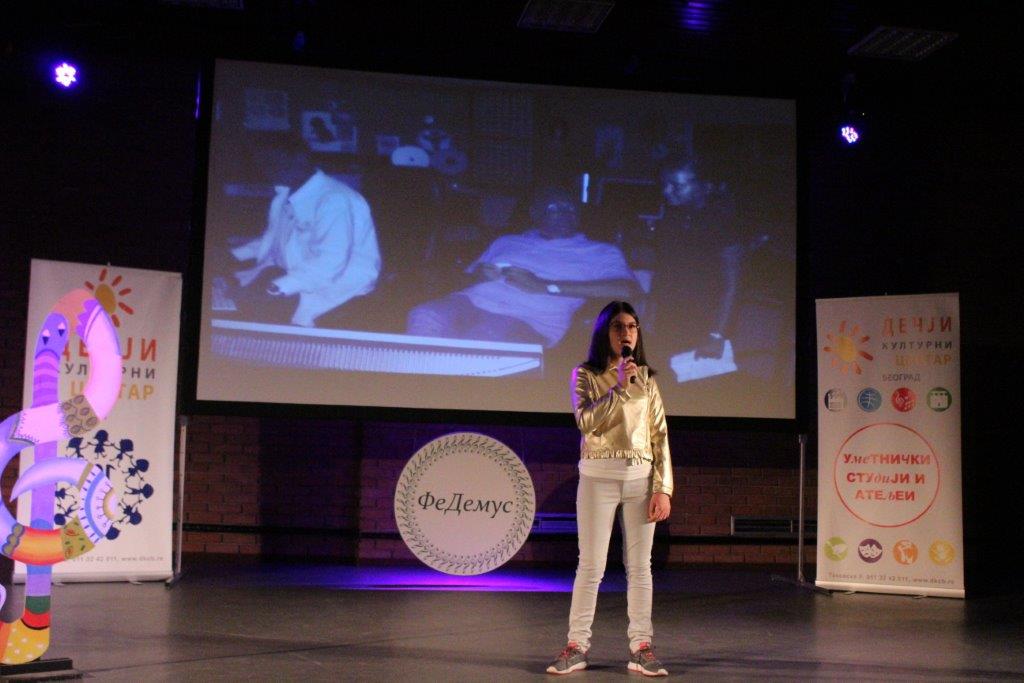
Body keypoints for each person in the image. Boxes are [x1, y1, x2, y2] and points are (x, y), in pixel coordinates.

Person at [546, 300, 673, 677]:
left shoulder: (646, 378)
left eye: (632, 326)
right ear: (605, 331)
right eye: (619, 326)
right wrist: (618, 387)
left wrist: (663, 487)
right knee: (591, 566)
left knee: (640, 568)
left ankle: (641, 647)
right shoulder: (585, 375)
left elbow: (659, 436)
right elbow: (586, 422)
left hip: (640, 479)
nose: (626, 333)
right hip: (597, 478)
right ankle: (576, 646)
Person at [406, 189, 637, 347]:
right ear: (535, 214)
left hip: (528, 318)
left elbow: (627, 289)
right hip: (471, 302)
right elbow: (465, 277)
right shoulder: (507, 241)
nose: (564, 213)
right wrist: (480, 274)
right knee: (424, 315)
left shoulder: (599, 251)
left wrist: (545, 286)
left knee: (483, 336)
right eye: (553, 208)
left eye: (570, 208)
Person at [228, 167, 381, 327]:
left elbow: (330, 262)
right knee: (237, 304)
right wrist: (233, 255)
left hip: (339, 296)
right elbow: (276, 241)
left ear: (299, 158)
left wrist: (275, 288)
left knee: (248, 322)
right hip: (305, 282)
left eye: (272, 160)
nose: (266, 168)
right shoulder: (291, 192)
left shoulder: (334, 199)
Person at [656, 157, 743, 361]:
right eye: (665, 184)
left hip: (704, 320)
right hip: (670, 315)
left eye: (676, 185)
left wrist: (717, 333)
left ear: (706, 186)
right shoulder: (674, 217)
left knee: (695, 376)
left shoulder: (723, 224)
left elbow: (733, 284)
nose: (667, 191)